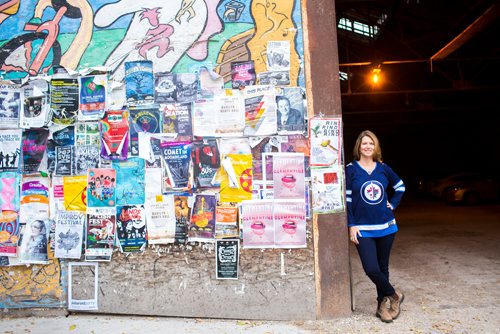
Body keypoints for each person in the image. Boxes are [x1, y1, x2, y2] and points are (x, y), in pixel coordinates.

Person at [345, 130, 405, 323]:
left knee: (383, 267)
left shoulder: (383, 168)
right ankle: (394, 295)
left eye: (371, 143)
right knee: (371, 268)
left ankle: (381, 306)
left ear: (375, 147)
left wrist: (393, 204)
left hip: (386, 225)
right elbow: (347, 199)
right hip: (363, 228)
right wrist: (351, 224)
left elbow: (400, 186)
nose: (368, 146)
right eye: (364, 143)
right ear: (359, 147)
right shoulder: (351, 169)